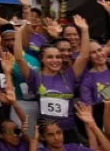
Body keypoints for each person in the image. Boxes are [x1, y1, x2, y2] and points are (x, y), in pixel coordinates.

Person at [14, 16, 90, 144]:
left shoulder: (69, 75)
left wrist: (85, 30)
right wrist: (18, 32)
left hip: (69, 130)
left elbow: (84, 56)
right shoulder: (35, 77)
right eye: (50, 57)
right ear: (42, 59)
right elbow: (19, 58)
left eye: (58, 57)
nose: (55, 60)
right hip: (47, 132)